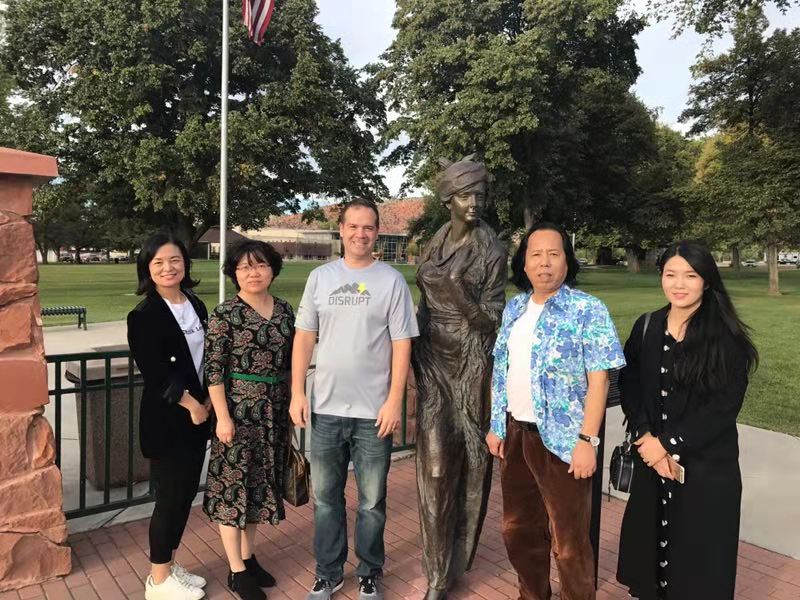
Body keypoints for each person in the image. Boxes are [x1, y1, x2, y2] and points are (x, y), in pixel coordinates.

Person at [485, 222, 625, 600]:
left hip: (564, 443)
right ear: (524, 263)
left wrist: (587, 440)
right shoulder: (514, 308)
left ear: (567, 260)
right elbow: (502, 370)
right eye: (535, 254)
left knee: (569, 543)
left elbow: (599, 381)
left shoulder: (587, 310)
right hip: (516, 436)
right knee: (518, 531)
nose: (544, 263)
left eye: (553, 254)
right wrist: (496, 425)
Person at [290, 198, 419, 600]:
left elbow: (402, 344)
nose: (360, 234)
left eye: (368, 227)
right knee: (326, 501)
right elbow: (304, 338)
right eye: (353, 226)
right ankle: (328, 573)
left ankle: (369, 571)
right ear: (341, 230)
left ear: (377, 232)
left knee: (372, 503)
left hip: (373, 413)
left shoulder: (391, 281)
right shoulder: (320, 278)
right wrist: (297, 391)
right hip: (326, 409)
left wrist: (394, 400)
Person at [616, 241, 758, 600]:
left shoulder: (726, 337)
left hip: (706, 470)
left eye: (690, 276)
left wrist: (669, 444)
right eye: (670, 274)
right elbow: (631, 384)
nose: (679, 284)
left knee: (699, 568)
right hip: (652, 461)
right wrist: (645, 436)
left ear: (706, 281)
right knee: (649, 562)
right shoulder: (647, 326)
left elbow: (723, 407)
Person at [411, 156, 506, 599]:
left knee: (470, 462)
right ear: (448, 199)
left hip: (469, 364)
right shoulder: (436, 240)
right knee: (433, 468)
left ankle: (456, 557)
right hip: (431, 362)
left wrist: (459, 292)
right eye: (466, 195)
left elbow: (492, 319)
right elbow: (423, 301)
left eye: (480, 195)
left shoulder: (491, 249)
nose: (475, 203)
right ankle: (436, 574)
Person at [203, 240, 295, 600]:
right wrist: (222, 417)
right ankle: (236, 571)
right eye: (244, 267)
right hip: (239, 413)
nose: (253, 273)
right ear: (234, 273)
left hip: (274, 412)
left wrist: (293, 403)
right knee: (233, 490)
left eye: (260, 265)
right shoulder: (225, 314)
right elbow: (213, 371)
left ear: (272, 270)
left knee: (258, 487)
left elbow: (291, 362)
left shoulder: (285, 311)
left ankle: (248, 557)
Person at [127, 233, 211, 600]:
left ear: (185, 264)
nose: (168, 268)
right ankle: (158, 581)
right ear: (147, 268)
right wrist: (194, 405)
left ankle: (170, 564)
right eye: (158, 262)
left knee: (185, 495)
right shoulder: (144, 315)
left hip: (198, 418)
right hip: (169, 420)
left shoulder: (195, 303)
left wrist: (207, 403)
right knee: (169, 499)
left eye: (174, 260)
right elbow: (157, 374)